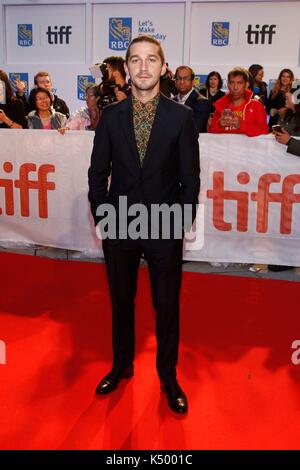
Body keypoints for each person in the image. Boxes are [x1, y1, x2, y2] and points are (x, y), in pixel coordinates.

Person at [88, 35, 200, 414]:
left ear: (163, 67)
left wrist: (180, 221)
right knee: (122, 302)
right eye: (135, 60)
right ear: (127, 68)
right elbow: (97, 170)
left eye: (151, 59)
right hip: (119, 223)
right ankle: (121, 366)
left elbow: (191, 178)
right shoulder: (112, 116)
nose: (143, 67)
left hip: (164, 224)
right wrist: (102, 211)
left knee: (166, 306)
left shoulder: (181, 118)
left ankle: (168, 377)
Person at [208, 67, 269, 137]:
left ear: (246, 85)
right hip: (225, 147)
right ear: (228, 85)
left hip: (248, 147)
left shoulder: (256, 106)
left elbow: (264, 132)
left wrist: (241, 125)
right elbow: (211, 133)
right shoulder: (221, 106)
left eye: (239, 83)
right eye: (232, 83)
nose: (235, 87)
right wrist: (219, 125)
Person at [173, 65, 210, 133]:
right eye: (178, 78)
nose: (182, 82)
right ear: (175, 81)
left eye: (186, 78)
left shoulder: (202, 102)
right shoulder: (170, 101)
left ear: (193, 81)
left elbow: (194, 129)